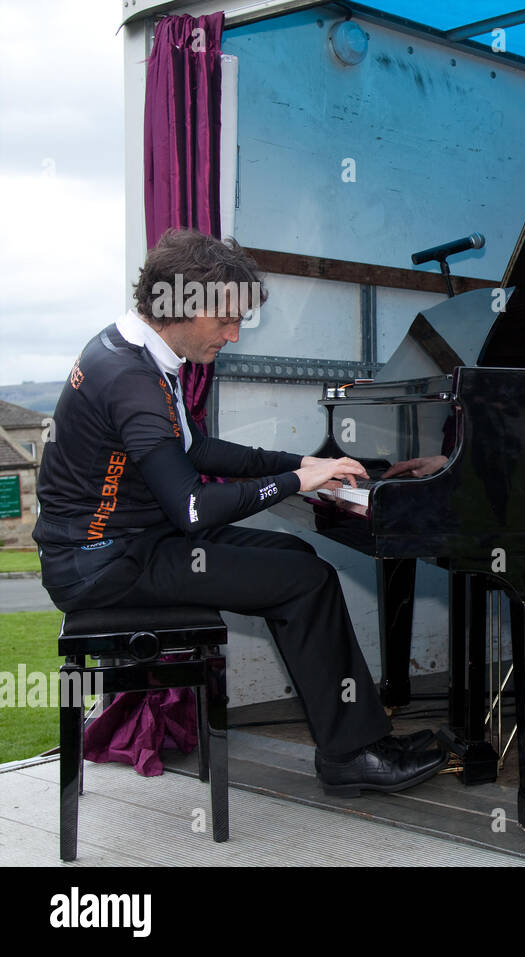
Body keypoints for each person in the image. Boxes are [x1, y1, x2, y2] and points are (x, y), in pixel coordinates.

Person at [34, 229, 447, 795]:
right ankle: (351, 755)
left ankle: (360, 741)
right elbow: (194, 507)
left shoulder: (135, 350)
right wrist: (298, 480)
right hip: (102, 563)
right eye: (225, 320)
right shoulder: (131, 378)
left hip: (129, 545)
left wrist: (302, 460)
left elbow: (198, 450)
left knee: (298, 562)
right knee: (304, 578)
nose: (232, 335)